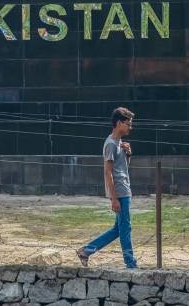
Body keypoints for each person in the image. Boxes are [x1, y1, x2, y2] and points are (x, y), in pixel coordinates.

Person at [76, 106, 137, 269]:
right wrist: (114, 197)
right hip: (120, 192)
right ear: (118, 123)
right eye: (128, 124)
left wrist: (128, 154)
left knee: (119, 229)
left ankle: (86, 251)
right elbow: (107, 172)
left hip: (125, 189)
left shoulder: (120, 144)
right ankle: (131, 264)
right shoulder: (110, 144)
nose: (130, 127)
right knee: (125, 230)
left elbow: (122, 169)